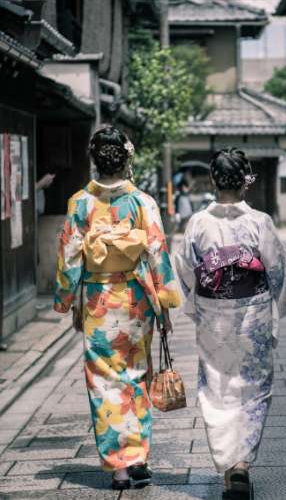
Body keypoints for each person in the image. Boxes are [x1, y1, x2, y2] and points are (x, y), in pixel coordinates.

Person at [53, 126, 181, 490]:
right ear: (127, 158)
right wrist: (166, 302)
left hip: (98, 298)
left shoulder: (81, 202)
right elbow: (157, 251)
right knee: (136, 373)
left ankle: (119, 467)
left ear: (95, 159)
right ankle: (138, 457)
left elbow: (69, 255)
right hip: (136, 297)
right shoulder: (142, 202)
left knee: (104, 381)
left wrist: (66, 298)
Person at [174, 148, 286, 500]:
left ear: (213, 180)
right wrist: (277, 308)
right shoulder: (260, 222)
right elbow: (276, 270)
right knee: (252, 388)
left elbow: (184, 269)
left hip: (213, 312)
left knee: (217, 388)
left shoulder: (197, 223)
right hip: (252, 311)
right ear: (246, 180)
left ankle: (228, 467)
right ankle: (242, 466)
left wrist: (197, 305)